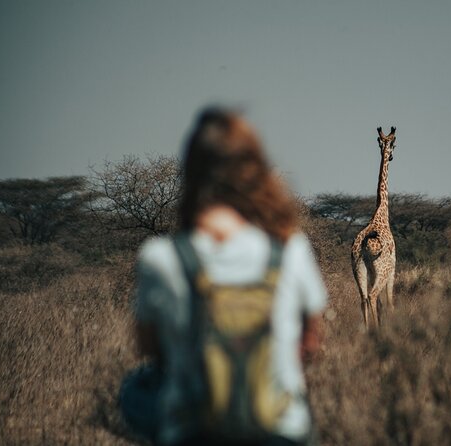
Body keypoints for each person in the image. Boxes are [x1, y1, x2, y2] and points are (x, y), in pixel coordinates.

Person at [122, 106, 327, 446]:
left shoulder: (159, 257)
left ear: (190, 170)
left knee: (135, 390)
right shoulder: (291, 248)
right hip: (280, 432)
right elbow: (311, 343)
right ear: (254, 170)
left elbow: (148, 347)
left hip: (194, 434)